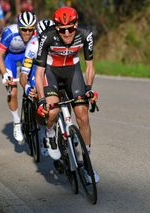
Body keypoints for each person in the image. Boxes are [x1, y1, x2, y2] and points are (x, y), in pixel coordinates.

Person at [34, 7, 99, 182]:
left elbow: (90, 66)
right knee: (53, 111)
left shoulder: (85, 34)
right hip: (51, 74)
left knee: (83, 116)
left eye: (71, 28)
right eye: (62, 29)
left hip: (73, 73)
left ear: (76, 24)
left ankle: (87, 162)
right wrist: (41, 100)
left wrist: (88, 88)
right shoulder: (47, 37)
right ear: (56, 28)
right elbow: (39, 73)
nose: (67, 33)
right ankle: (49, 134)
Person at [0, 11, 37, 144]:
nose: (27, 33)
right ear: (19, 27)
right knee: (12, 92)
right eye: (24, 29)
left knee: (36, 87)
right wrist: (5, 74)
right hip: (10, 58)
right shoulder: (9, 32)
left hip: (27, 55)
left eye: (30, 29)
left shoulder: (37, 35)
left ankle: (39, 123)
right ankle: (17, 122)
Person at [20, 19, 55, 155]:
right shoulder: (33, 45)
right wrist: (27, 88)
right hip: (36, 70)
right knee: (38, 95)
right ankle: (42, 134)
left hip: (52, 68)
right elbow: (24, 74)